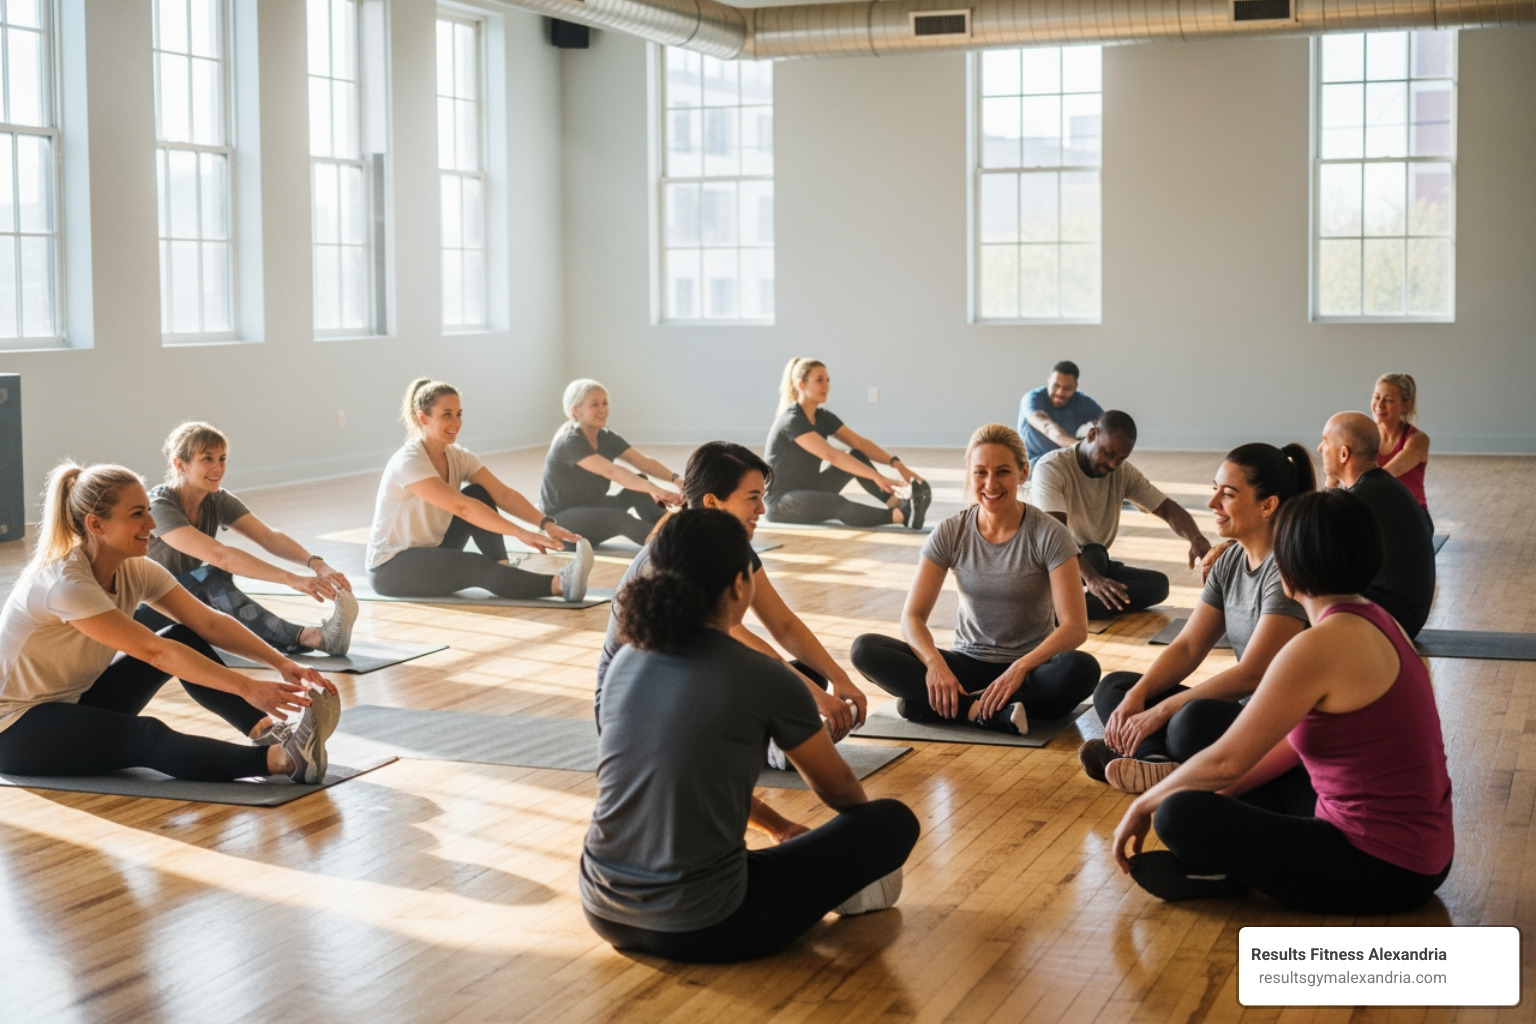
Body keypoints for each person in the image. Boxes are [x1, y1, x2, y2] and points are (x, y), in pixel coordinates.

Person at [581, 509, 921, 963]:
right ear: (740, 585)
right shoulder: (761, 675)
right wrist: (860, 843)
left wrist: (781, 828)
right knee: (892, 821)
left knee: (748, 862)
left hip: (603, 909)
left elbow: (690, 781)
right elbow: (840, 790)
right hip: (708, 925)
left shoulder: (626, 661)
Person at [1110, 489, 1453, 914]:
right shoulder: (1381, 620)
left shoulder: (1316, 646)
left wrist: (1146, 803)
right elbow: (1288, 747)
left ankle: (1226, 873)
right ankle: (1226, 865)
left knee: (1175, 814)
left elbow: (1226, 761)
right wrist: (1222, 795)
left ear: (1287, 567)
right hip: (1424, 856)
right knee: (1214, 771)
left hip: (1381, 868)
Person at [0, 463, 340, 784]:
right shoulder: (66, 585)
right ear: (96, 524)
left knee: (181, 635)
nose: (151, 523)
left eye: (148, 510)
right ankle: (284, 760)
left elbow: (209, 623)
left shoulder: (135, 569)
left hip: (75, 703)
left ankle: (266, 732)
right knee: (144, 734)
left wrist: (281, 663)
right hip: (15, 728)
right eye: (137, 514)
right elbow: (156, 653)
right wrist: (246, 687)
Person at [596, 443, 871, 839]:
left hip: (690, 682)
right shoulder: (674, 554)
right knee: (783, 685)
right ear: (712, 501)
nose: (762, 509)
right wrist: (814, 699)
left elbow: (782, 624)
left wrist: (837, 680)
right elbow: (741, 644)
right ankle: (776, 748)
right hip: (637, 703)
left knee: (799, 677)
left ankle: (777, 738)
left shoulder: (726, 544)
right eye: (752, 498)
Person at [1081, 443, 1314, 793]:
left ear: (1267, 505)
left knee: (1187, 721)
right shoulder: (1229, 561)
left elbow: (1253, 673)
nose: (1212, 503)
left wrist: (1161, 711)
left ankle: (1142, 753)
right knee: (1116, 688)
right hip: (1242, 711)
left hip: (1276, 725)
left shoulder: (1285, 571)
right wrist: (1138, 695)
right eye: (1214, 489)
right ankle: (1153, 761)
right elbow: (1189, 646)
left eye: (1228, 494)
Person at [850, 424, 1100, 736]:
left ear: (1023, 473)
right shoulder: (951, 531)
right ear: (970, 473)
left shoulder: (1049, 533)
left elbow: (1074, 628)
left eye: (1003, 472)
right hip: (966, 665)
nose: (990, 484)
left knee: (1081, 669)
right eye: (981, 472)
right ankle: (978, 711)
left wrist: (1020, 668)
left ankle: (938, 706)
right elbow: (912, 617)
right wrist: (935, 665)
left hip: (1029, 672)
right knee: (865, 649)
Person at [133, 422, 358, 658]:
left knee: (212, 583)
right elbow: (221, 556)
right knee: (208, 578)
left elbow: (268, 537)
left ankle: (303, 639)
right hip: (140, 614)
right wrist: (292, 579)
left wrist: (317, 564)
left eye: (222, 459)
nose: (218, 468)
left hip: (178, 603)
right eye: (207, 459)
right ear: (179, 464)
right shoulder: (158, 506)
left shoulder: (216, 499)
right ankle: (311, 638)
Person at [366, 378, 594, 601]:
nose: (456, 422)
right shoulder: (409, 462)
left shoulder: (458, 456)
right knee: (474, 563)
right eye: (447, 415)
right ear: (423, 418)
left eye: (459, 414)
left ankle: (502, 569)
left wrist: (546, 524)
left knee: (478, 493)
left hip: (433, 548)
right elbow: (463, 508)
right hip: (392, 567)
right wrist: (520, 533)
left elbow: (503, 494)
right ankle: (560, 585)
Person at [1030, 410, 1211, 619]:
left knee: (1158, 585)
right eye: (1109, 453)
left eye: (1121, 459)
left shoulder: (1122, 473)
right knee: (1094, 555)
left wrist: (1196, 538)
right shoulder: (1052, 468)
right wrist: (1093, 579)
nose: (1113, 464)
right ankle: (1066, 606)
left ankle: (1061, 609)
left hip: (1093, 563)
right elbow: (1056, 536)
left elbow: (1168, 509)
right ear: (1092, 435)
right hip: (1051, 565)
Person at [764, 357, 931, 529]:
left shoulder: (822, 417)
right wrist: (878, 477)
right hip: (781, 502)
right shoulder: (792, 420)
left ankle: (894, 501)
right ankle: (902, 515)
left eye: (827, 380)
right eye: (819, 380)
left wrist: (899, 466)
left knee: (857, 455)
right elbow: (832, 455)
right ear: (801, 384)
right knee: (835, 502)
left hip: (810, 488)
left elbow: (861, 444)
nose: (826, 386)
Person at [1319, 412, 1436, 637]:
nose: (1320, 448)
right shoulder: (1383, 485)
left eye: (1325, 441)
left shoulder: (1360, 499)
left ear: (1343, 454)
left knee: (1302, 579)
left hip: (1394, 619)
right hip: (1408, 615)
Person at [539, 379, 683, 548]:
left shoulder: (605, 436)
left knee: (639, 486)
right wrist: (658, 490)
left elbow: (643, 462)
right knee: (619, 518)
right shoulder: (569, 441)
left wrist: (676, 480)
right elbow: (613, 472)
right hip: (561, 521)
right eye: (595, 404)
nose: (602, 409)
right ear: (575, 410)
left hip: (591, 506)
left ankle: (674, 529)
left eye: (605, 403)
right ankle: (669, 547)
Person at [1373, 372, 1431, 529]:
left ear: (1405, 406)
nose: (1379, 405)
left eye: (1389, 400)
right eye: (1377, 397)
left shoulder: (1418, 439)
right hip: (1377, 514)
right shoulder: (1364, 436)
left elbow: (1386, 474)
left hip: (1412, 516)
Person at [1018, 360, 1103, 464]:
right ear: (1048, 380)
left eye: (1067, 388)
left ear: (1075, 386)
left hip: (1064, 461)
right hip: (1032, 462)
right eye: (1056, 386)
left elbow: (1107, 425)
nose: (1060, 392)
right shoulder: (1032, 398)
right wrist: (1080, 447)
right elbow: (1047, 427)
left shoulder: (1082, 402)